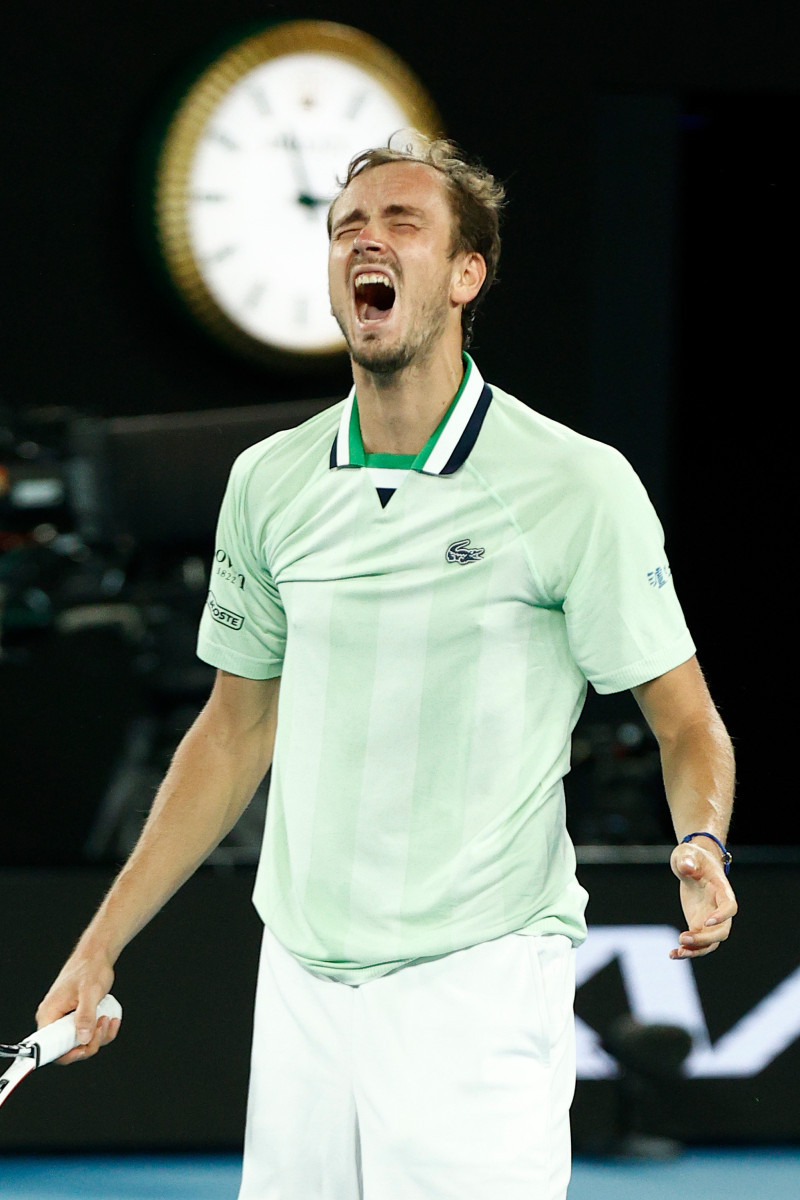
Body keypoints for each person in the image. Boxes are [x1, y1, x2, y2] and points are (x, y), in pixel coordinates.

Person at [37, 135, 737, 1200]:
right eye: (345, 228)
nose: (367, 239)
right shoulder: (268, 483)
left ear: (466, 275)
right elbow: (230, 732)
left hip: (479, 979)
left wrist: (699, 840)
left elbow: (685, 722)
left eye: (402, 222)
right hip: (305, 983)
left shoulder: (573, 484)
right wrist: (99, 945)